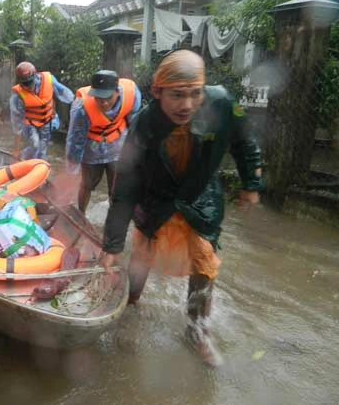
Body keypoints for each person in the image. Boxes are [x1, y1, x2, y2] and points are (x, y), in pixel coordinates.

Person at [99, 50, 263, 366]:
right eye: (176, 95)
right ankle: (129, 306)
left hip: (200, 196)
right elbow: (126, 187)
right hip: (156, 199)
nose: (187, 105)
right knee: (142, 258)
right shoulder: (144, 125)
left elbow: (246, 143)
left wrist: (251, 185)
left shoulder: (222, 104)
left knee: (204, 261)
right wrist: (112, 243)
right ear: (158, 92)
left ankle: (197, 329)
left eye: (194, 94)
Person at [65, 70, 141, 214]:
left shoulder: (132, 93)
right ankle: (81, 214)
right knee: (87, 184)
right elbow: (76, 140)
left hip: (118, 146)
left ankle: (114, 216)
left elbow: (135, 123)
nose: (104, 103)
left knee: (116, 186)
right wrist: (72, 169)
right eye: (99, 98)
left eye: (108, 97)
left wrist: (136, 150)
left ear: (117, 92)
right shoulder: (81, 107)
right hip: (91, 150)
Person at [10, 61, 74, 160]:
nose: (29, 87)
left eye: (30, 83)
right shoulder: (17, 95)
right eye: (25, 84)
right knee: (35, 144)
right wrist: (16, 149)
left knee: (42, 149)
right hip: (30, 123)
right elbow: (16, 122)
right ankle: (23, 157)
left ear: (35, 75)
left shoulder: (49, 80)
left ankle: (38, 165)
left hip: (47, 121)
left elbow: (65, 93)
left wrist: (76, 101)